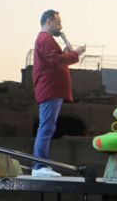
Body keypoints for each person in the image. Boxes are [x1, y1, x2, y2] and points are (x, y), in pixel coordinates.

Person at [30, 10, 86, 177]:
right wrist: (75, 54)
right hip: (50, 89)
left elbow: (55, 59)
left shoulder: (45, 40)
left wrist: (66, 53)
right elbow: (57, 62)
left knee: (47, 127)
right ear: (49, 22)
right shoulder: (45, 39)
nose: (60, 27)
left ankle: (40, 165)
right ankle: (39, 167)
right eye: (58, 23)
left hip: (51, 90)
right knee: (46, 127)